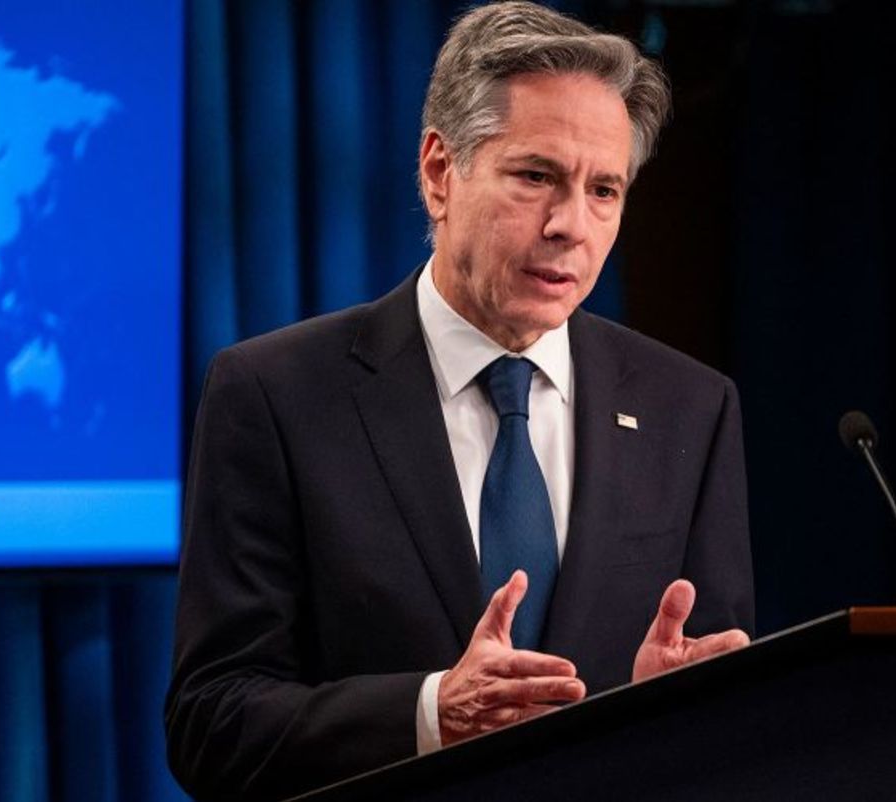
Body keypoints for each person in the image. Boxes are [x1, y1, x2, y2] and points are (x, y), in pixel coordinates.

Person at [165, 3, 753, 800]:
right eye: (536, 176)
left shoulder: (692, 408)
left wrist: (677, 710)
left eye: (604, 189)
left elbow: (734, 718)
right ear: (441, 172)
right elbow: (211, 723)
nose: (570, 225)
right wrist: (430, 713)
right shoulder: (275, 395)